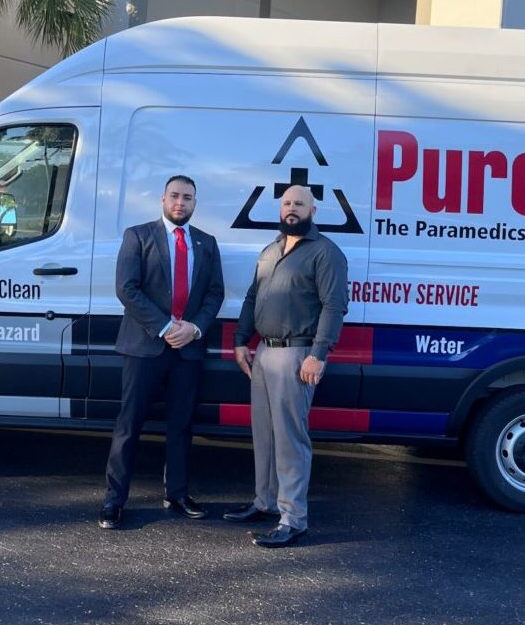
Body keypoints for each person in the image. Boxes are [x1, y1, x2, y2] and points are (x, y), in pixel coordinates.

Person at [99, 175, 224, 530]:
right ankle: (114, 500)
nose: (180, 203)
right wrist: (167, 327)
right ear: (162, 199)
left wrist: (194, 328)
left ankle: (178, 494)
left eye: (187, 197)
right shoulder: (138, 236)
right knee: (129, 425)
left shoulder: (207, 243)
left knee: (181, 425)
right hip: (145, 347)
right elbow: (127, 289)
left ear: (195, 203)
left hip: (188, 349)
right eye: (174, 196)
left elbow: (215, 293)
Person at [227, 184, 348, 547]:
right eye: (286, 204)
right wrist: (240, 342)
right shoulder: (271, 250)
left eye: (299, 204)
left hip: (297, 355)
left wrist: (318, 354)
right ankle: (264, 503)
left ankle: (293, 518)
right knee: (264, 434)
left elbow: (334, 306)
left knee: (291, 440)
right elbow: (253, 297)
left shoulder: (326, 253)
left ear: (313, 210)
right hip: (263, 352)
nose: (291, 209)